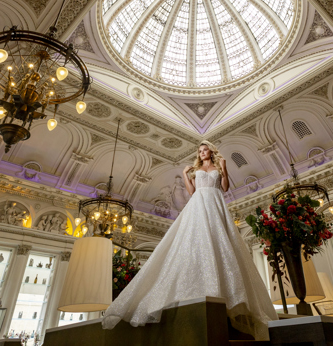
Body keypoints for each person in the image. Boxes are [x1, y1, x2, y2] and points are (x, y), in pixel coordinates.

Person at [102, 141, 278, 340]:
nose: (202, 153)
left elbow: (224, 188)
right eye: (200, 151)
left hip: (216, 203)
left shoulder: (218, 167)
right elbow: (192, 192)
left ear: (211, 152)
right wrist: (186, 174)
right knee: (196, 241)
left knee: (221, 241)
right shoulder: (196, 170)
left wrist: (226, 169)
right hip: (198, 205)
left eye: (205, 150)